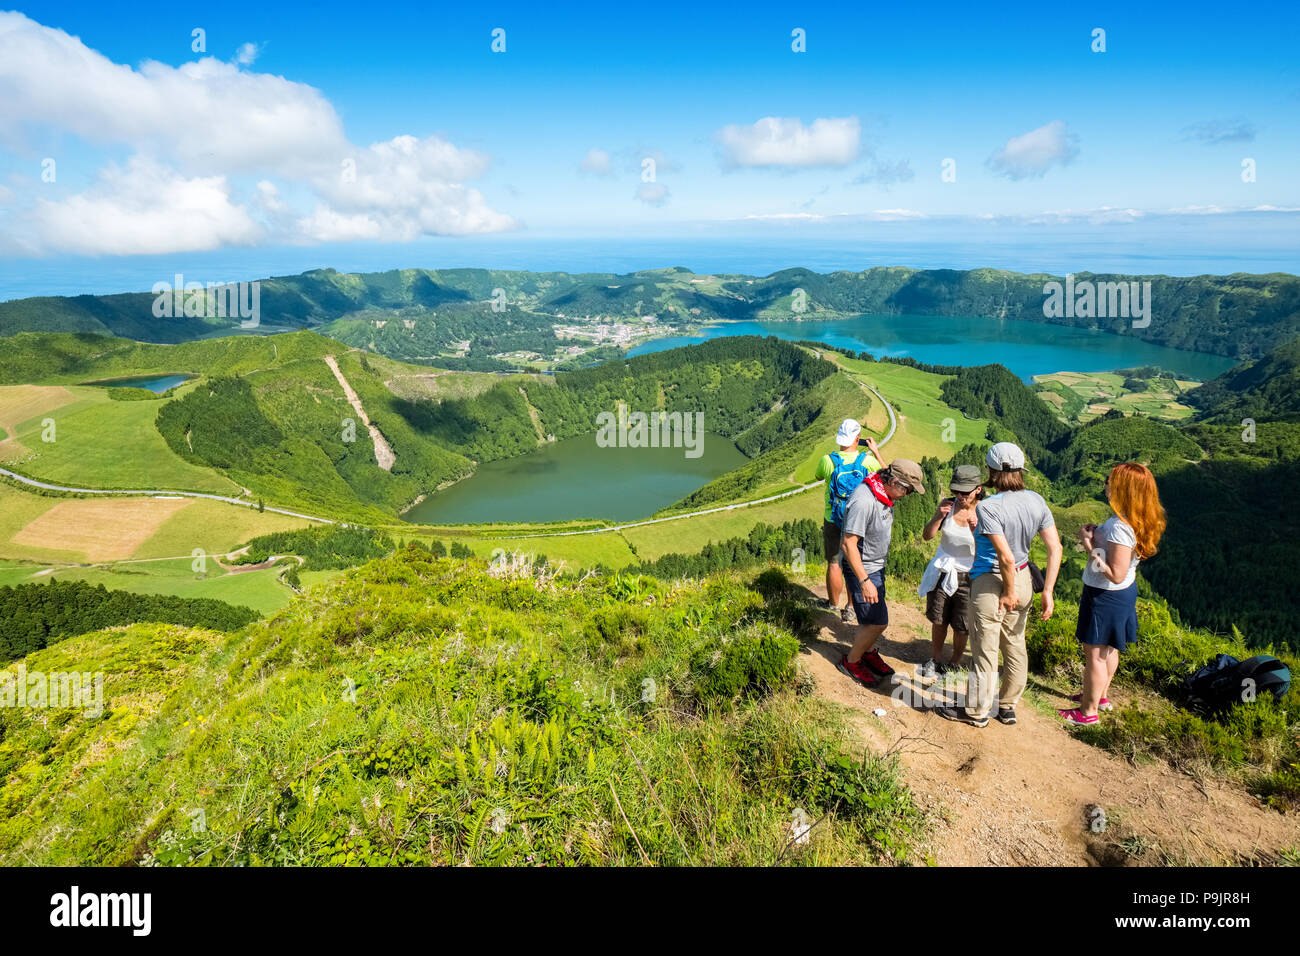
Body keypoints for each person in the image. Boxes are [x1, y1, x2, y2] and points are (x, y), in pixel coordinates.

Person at [939, 442, 1062, 727]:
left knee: (985, 648)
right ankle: (1007, 707)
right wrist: (1048, 590)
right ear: (1020, 469)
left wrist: (1006, 593)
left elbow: (1003, 556)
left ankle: (977, 712)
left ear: (991, 471)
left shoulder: (990, 507)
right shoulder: (1036, 500)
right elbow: (1055, 547)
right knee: (1016, 645)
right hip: (1024, 578)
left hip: (992, 582)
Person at [1060, 463, 1166, 725]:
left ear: (1123, 489)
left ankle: (1087, 712)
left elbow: (1113, 572)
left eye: (1110, 482)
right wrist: (1098, 539)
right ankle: (1099, 696)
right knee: (1108, 649)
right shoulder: (1135, 519)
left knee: (1094, 653)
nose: (1106, 485)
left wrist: (1088, 545)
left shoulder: (1120, 526)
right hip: (1122, 593)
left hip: (1106, 594)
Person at [837, 458, 925, 688]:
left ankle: (866, 652)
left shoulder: (882, 492)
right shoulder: (864, 501)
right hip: (864, 568)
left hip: (876, 565)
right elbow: (848, 543)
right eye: (908, 490)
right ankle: (852, 661)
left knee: (872, 618)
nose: (908, 495)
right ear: (894, 482)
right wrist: (864, 580)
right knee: (878, 622)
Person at [916, 465, 982, 681]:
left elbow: (988, 550)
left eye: (965, 492)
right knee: (939, 618)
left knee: (962, 623)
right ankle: (935, 658)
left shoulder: (984, 512)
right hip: (943, 569)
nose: (960, 496)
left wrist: (976, 532)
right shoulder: (948, 506)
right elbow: (927, 536)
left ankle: (955, 661)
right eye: (957, 492)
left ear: (978, 490)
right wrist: (937, 516)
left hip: (970, 574)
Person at [813, 418, 882, 624]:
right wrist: (875, 451)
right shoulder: (868, 462)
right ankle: (850, 608)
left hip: (833, 517)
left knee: (834, 563)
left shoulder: (828, 460)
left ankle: (833, 604)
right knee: (854, 564)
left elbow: (818, 477)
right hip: (859, 521)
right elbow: (887, 476)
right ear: (857, 438)